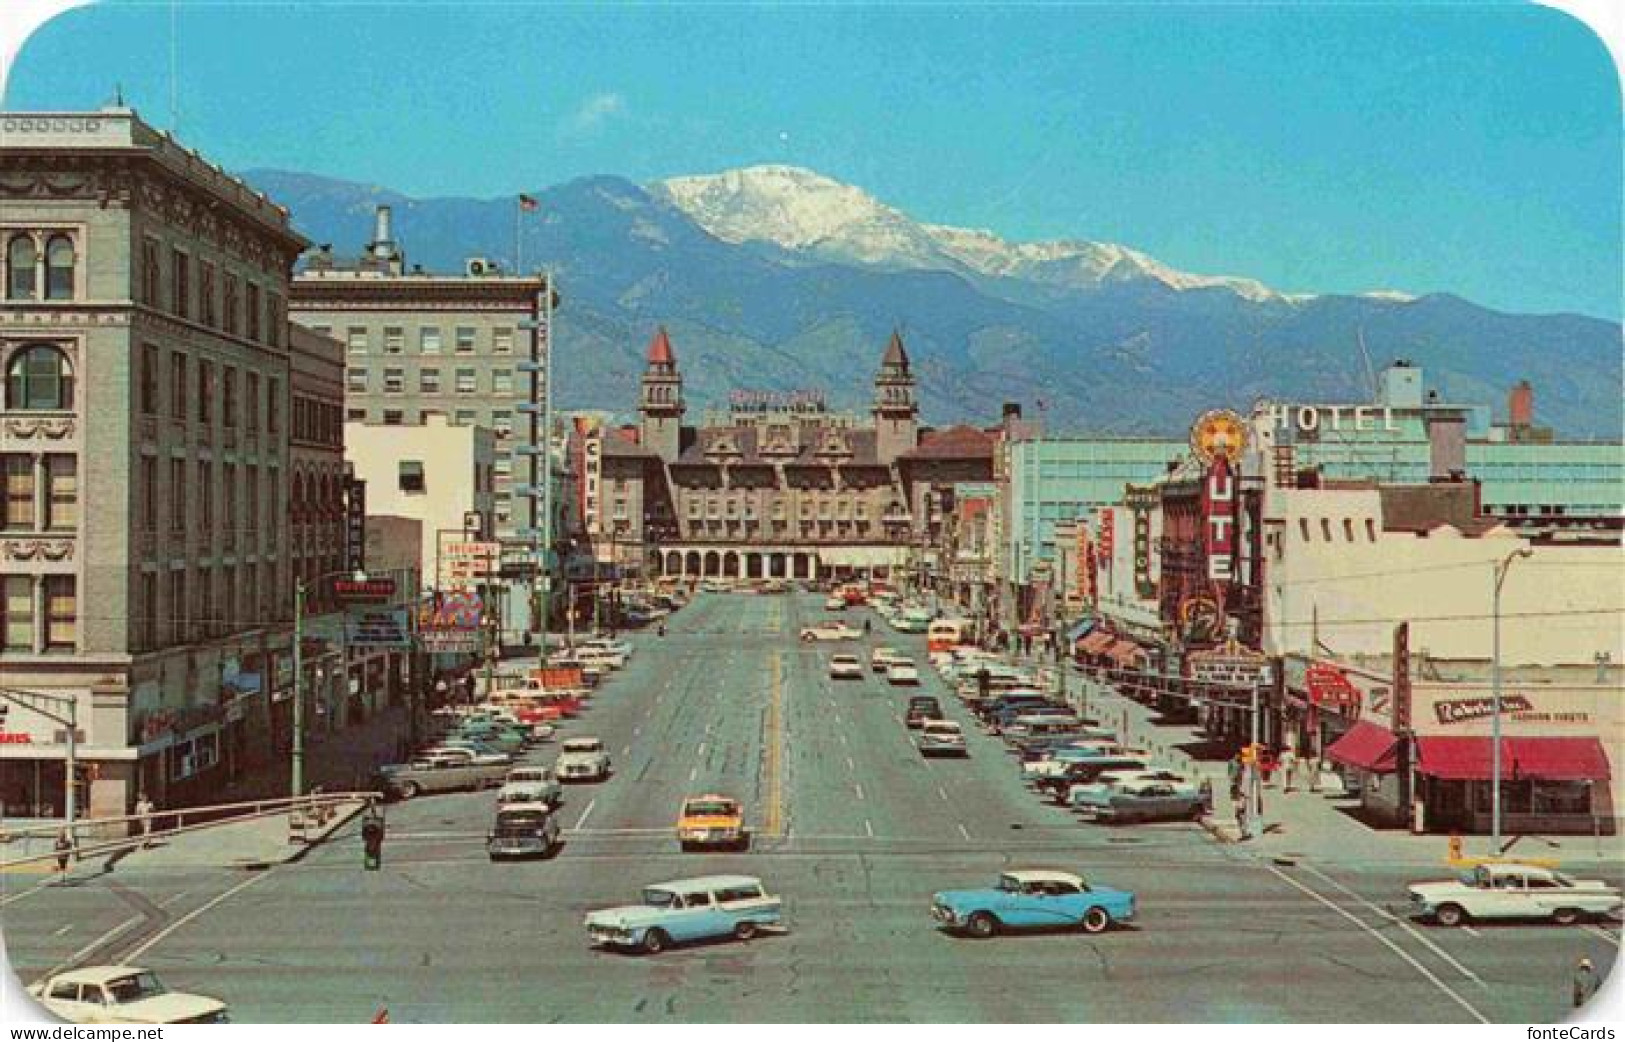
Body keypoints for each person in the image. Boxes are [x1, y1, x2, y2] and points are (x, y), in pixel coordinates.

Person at [361, 805, 386, 871]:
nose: (371, 845)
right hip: (376, 820)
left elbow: (364, 827)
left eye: (370, 846)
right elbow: (381, 827)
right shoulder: (379, 838)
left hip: (371, 819)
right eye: (373, 847)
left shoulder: (365, 837)